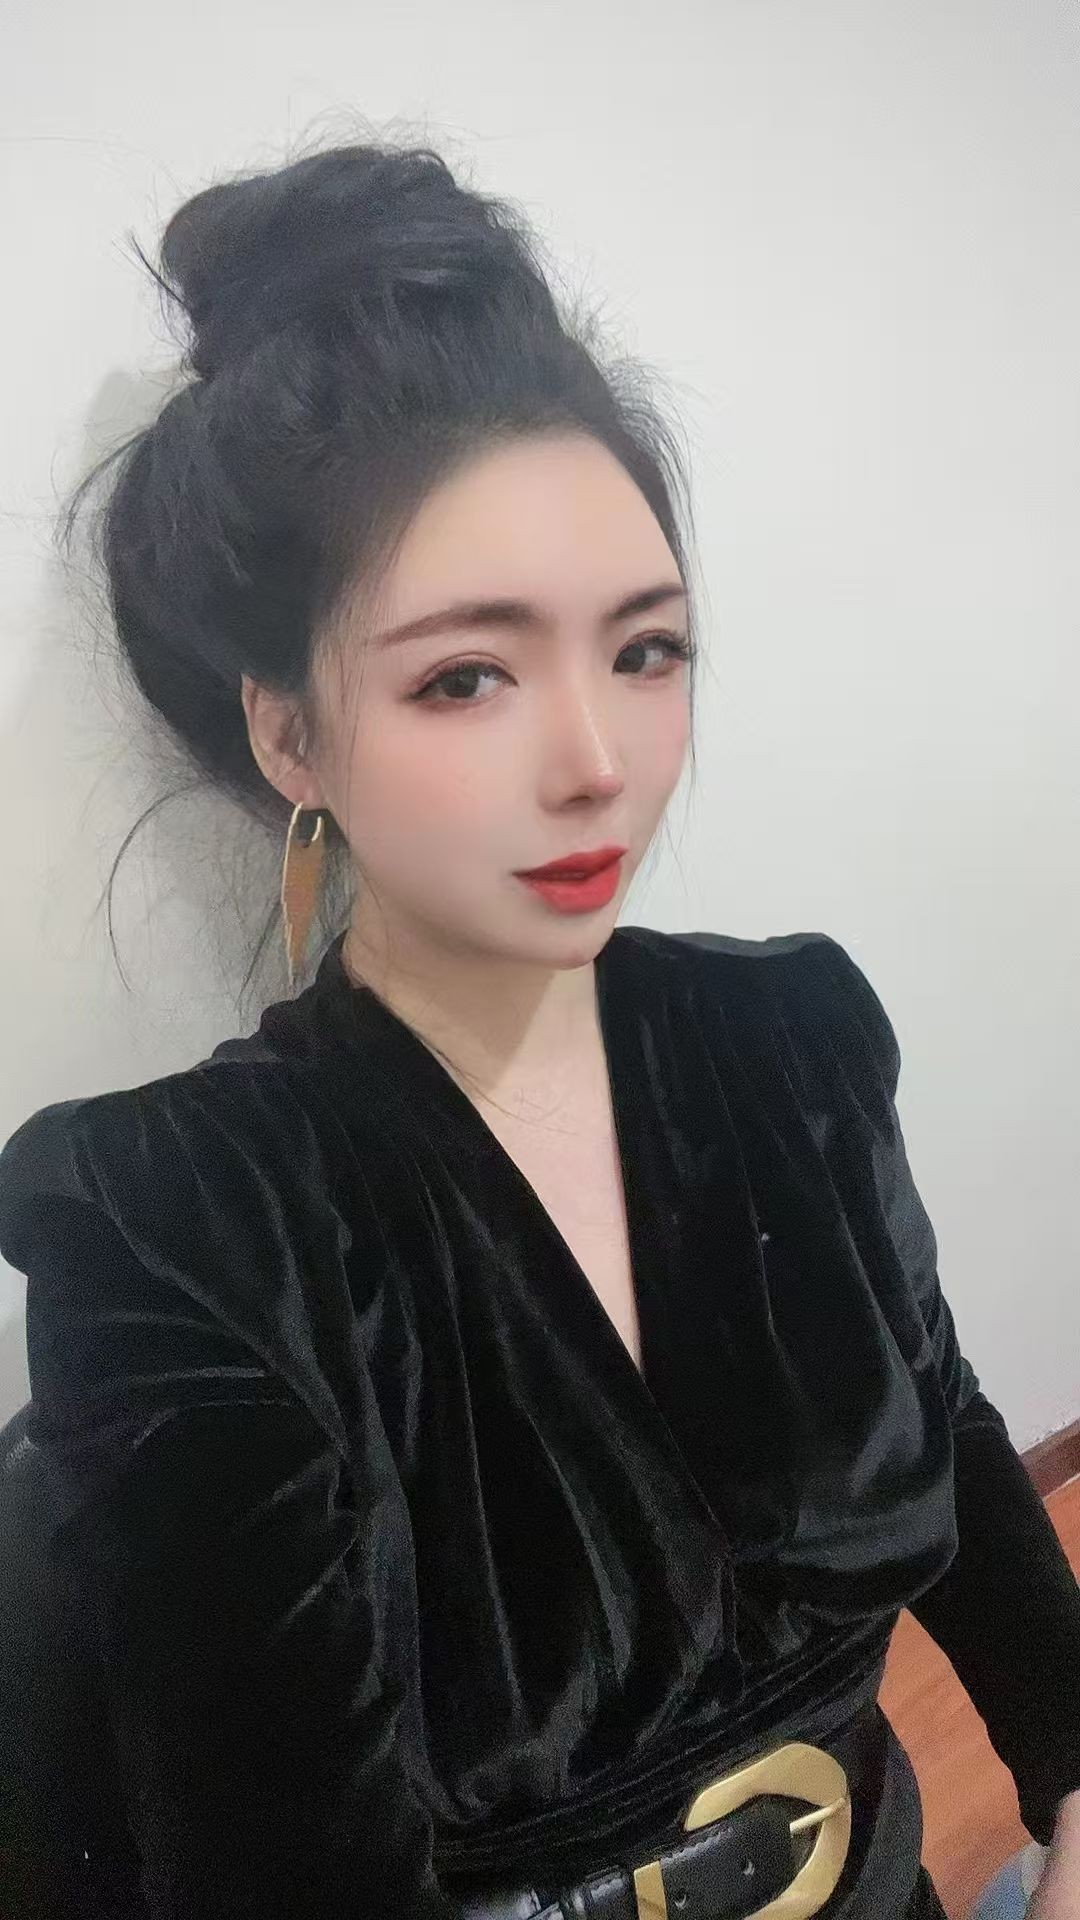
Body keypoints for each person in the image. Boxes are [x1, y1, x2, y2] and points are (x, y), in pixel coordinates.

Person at [0, 137, 1077, 1920]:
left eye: (644, 650)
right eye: (468, 675)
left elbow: (939, 1417)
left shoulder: (790, 1036)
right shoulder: (184, 1225)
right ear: (289, 733)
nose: (596, 759)